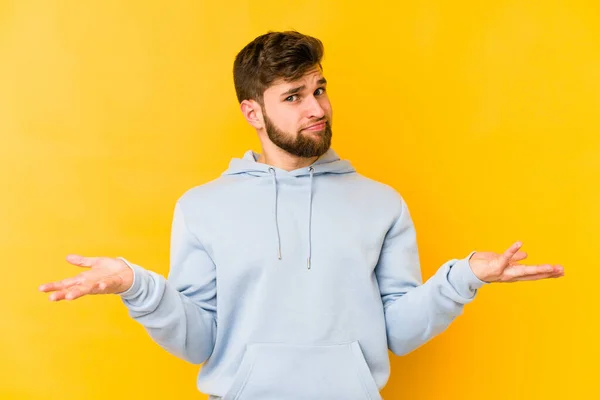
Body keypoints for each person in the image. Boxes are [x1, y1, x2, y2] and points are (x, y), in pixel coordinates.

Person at [39, 31, 564, 400]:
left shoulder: (381, 203)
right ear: (253, 112)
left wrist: (462, 278)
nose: (316, 108)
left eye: (319, 89)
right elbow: (201, 340)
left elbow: (399, 331)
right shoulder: (202, 206)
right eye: (293, 96)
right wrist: (138, 286)